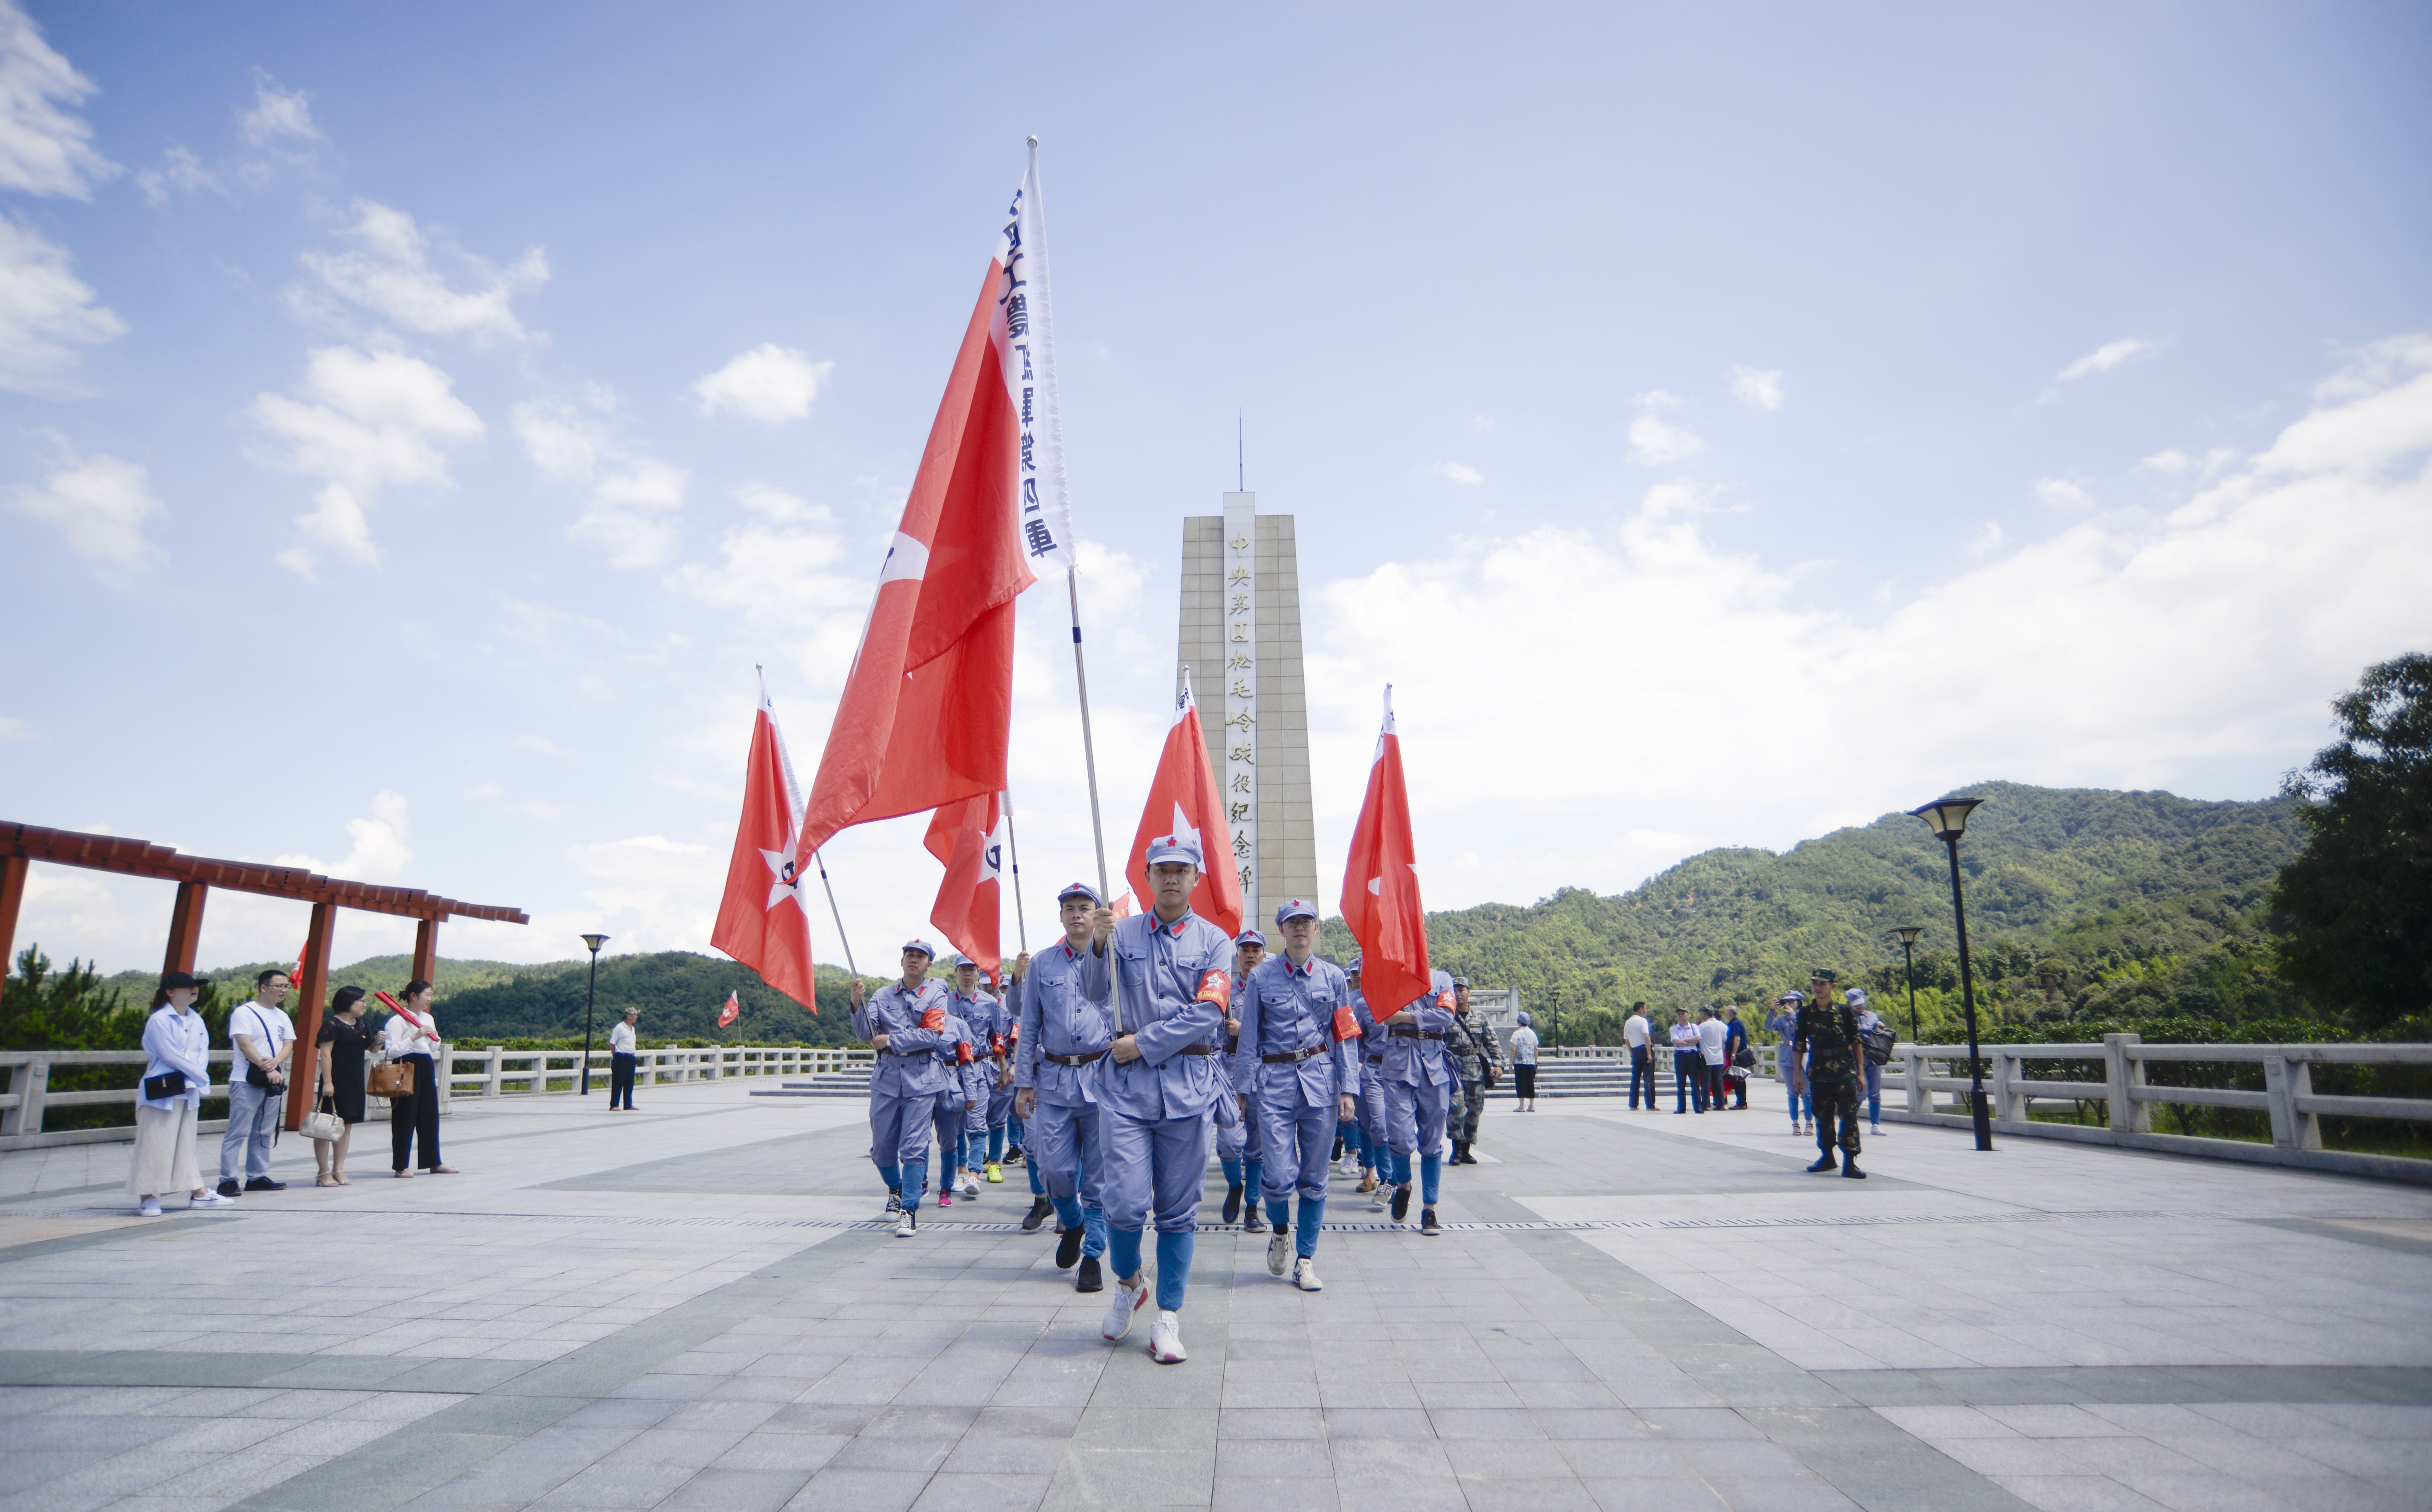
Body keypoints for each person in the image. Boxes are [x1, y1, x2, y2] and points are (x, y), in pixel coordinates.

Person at [1077, 833, 1231, 1364]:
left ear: (1195, 878)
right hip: (1126, 1091)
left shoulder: (1216, 942)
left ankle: (1167, 1316)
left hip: (1187, 1086)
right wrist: (1098, 944)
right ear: (1147, 878)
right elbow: (1096, 991)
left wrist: (1142, 1043)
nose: (1170, 877)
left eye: (1181, 869)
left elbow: (1209, 1011)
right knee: (1121, 1201)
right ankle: (1127, 1283)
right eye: (1161, 869)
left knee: (1177, 1210)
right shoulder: (1123, 933)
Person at [1233, 900, 1360, 1290]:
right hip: (1274, 1083)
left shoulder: (1335, 977)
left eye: (1306, 922)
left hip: (1320, 1082)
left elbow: (1345, 1034)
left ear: (1316, 928)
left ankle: (1305, 1258)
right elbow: (1250, 1036)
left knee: (1315, 1177)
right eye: (1292, 923)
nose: (1300, 928)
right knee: (1277, 1175)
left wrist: (1348, 1088)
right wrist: (1242, 1089)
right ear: (1282, 931)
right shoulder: (1261, 977)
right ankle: (1281, 1231)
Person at [1013, 881, 1117, 1290]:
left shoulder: (1114, 959)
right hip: (1054, 1080)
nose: (1077, 914)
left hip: (1101, 1078)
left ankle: (1093, 1254)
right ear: (1060, 916)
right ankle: (1071, 1223)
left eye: (1084, 907)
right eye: (1069, 908)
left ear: (1096, 914)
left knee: (1098, 1176)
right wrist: (1024, 1083)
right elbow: (1030, 1026)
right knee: (1054, 1169)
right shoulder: (1043, 963)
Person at [849, 940, 952, 1236]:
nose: (914, 960)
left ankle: (909, 1210)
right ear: (903, 960)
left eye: (921, 956)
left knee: (914, 1147)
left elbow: (931, 1036)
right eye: (910, 955)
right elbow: (867, 1034)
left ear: (929, 964)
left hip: (922, 1080)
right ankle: (895, 1188)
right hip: (887, 1079)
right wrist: (857, 1004)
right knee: (882, 1150)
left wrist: (892, 1040)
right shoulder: (882, 995)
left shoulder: (936, 994)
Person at [1363, 966, 1458, 1235]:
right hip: (1398, 1064)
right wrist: (1411, 1018)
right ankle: (1403, 1183)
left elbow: (1446, 1015)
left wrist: (1405, 1016)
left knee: (1432, 1142)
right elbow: (1382, 1014)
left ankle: (1430, 1209)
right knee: (1401, 1137)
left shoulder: (1442, 979)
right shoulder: (1390, 977)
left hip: (1434, 1065)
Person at [129, 972, 230, 1216]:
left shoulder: (197, 1020)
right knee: (154, 1144)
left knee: (185, 1144)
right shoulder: (159, 1020)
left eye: (195, 987)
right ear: (170, 992)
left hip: (188, 1090)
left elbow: (202, 1053)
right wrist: (201, 1078)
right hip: (162, 1091)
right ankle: (148, 1197)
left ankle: (199, 1193)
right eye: (186, 987)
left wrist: (197, 1079)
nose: (193, 990)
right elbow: (170, 1055)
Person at [218, 968, 296, 1197]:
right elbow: (245, 1045)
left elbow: (289, 1044)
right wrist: (267, 1067)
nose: (283, 990)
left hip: (273, 1079)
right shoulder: (245, 1013)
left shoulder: (282, 1016)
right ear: (264, 987)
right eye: (279, 986)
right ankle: (228, 1178)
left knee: (264, 1130)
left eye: (286, 987)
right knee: (239, 1131)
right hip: (246, 1080)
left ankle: (257, 1175)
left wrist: (275, 1065)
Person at [1217, 930, 1269, 1232]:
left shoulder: (1270, 989)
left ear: (1264, 954)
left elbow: (1281, 1033)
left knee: (1257, 1146)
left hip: (1262, 1069)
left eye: (1256, 949)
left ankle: (1252, 1206)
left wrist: (1247, 1030)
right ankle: (1235, 1185)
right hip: (1230, 1068)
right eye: (1245, 949)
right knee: (1228, 1143)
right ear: (1237, 955)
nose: (1250, 954)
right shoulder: (1225, 990)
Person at [1794, 970, 1867, 1178]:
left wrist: (1860, 1073)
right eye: (1815, 983)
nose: (1818, 987)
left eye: (1823, 984)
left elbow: (1856, 1043)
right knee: (1822, 1115)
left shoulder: (1844, 1012)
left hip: (1845, 1071)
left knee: (1849, 1115)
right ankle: (1827, 1156)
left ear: (1833, 987)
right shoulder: (1806, 1013)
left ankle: (1850, 1161)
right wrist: (1797, 1076)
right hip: (1819, 1071)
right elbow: (1799, 1045)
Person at [948, 956, 1013, 1185]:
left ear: (978, 973)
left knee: (978, 1123)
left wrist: (1003, 1069)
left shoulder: (989, 1003)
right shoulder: (946, 1002)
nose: (967, 974)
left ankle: (976, 1173)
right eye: (962, 969)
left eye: (971, 969)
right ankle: (961, 1170)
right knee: (956, 1124)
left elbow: (997, 1038)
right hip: (953, 1071)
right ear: (955, 972)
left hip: (979, 1068)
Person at [382, 980, 457, 1177]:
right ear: (413, 996)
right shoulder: (397, 1021)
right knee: (404, 1117)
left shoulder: (429, 1018)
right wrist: (415, 1037)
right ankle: (401, 1166)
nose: (429, 999)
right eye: (427, 995)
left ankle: (434, 1162)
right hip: (405, 1067)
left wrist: (436, 1037)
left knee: (430, 1116)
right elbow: (391, 1052)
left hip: (426, 1065)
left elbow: (433, 1048)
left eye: (431, 995)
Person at [312, 985, 374, 1185]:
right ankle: (323, 1172)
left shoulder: (362, 1025)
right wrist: (328, 1082)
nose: (365, 1004)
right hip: (335, 1080)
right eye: (361, 1001)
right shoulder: (332, 1025)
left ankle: (338, 1169)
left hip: (354, 1081)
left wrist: (380, 1041)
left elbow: (372, 1049)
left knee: (346, 1126)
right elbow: (325, 1054)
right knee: (325, 1127)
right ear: (348, 1002)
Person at [931, 1000, 982, 1208]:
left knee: (949, 1142)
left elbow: (967, 1060)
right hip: (920, 1083)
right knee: (916, 1140)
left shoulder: (959, 1025)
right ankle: (920, 1183)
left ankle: (946, 1188)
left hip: (949, 1086)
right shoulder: (916, 1020)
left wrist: (970, 1091)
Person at [1446, 979, 1488, 1164]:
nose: (1458, 993)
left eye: (1462, 989)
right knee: (1456, 1110)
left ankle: (1466, 1150)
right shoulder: (1446, 1016)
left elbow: (1491, 1041)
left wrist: (1498, 1064)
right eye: (1455, 990)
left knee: (1474, 1110)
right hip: (1453, 1070)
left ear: (1469, 992)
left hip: (1475, 1072)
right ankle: (1455, 1150)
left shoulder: (1480, 1018)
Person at [1770, 991, 1812, 1135]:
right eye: (1786, 1001)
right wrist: (1772, 1010)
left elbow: (1804, 1029)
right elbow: (1769, 1026)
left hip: (1805, 1056)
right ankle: (1795, 1123)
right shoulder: (1782, 1019)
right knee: (1792, 1093)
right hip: (1788, 1056)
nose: (1789, 1004)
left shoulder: (1805, 1015)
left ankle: (1809, 1123)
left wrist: (1794, 1015)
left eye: (1792, 1001)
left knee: (1807, 1093)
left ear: (1799, 1002)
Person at [1850, 988, 1886, 1133]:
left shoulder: (1872, 1016)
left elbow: (1863, 1029)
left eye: (1861, 1003)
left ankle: (1875, 1124)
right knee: (1861, 1092)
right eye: (1856, 1004)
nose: (1859, 1006)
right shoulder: (1846, 1017)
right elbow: (1855, 1030)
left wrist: (1875, 1027)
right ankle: (1850, 1117)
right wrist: (1869, 1028)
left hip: (1873, 1056)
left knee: (1875, 1092)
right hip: (1855, 1057)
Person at [1669, 1008, 1704, 1113]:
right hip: (1680, 1056)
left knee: (1695, 1083)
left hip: (1692, 1056)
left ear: (1688, 1015)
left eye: (1683, 1014)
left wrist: (1684, 1042)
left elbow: (1698, 1039)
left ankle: (1698, 1107)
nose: (1681, 1016)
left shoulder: (1694, 1027)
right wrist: (1690, 1041)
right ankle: (1681, 1108)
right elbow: (1676, 1042)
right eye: (1679, 1014)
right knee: (1681, 1083)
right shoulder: (1674, 1029)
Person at [1623, 1002, 1653, 1111]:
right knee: (1648, 1079)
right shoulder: (1643, 1021)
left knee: (1635, 1079)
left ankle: (1633, 1104)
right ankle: (1650, 1105)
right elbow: (1646, 1036)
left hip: (1635, 1050)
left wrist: (1632, 1052)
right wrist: (1649, 1053)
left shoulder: (1628, 1022)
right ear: (1640, 1010)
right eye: (1645, 1009)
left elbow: (1627, 1040)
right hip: (1644, 1049)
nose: (1646, 1011)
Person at [608, 1008, 639, 1110]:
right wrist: (616, 1055)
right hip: (621, 1056)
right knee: (618, 1081)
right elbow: (613, 1043)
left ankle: (628, 1104)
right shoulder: (619, 1028)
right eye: (635, 1015)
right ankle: (615, 1105)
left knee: (630, 1082)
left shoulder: (633, 1029)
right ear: (629, 1016)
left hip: (631, 1057)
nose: (636, 1017)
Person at [1509, 1010, 1539, 1111]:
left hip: (1519, 1063)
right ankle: (1532, 1105)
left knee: (1521, 1083)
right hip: (1531, 1062)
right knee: (1530, 1083)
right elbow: (1536, 1049)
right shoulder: (1533, 1034)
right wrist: (1536, 1061)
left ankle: (1522, 1106)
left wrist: (1510, 1063)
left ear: (1519, 1022)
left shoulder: (1517, 1034)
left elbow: (1513, 1049)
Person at [1722, 1004, 1750, 1110]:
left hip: (1737, 1054)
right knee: (1738, 1078)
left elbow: (1737, 1039)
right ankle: (1741, 1102)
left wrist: (1733, 1054)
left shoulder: (1735, 1023)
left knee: (1738, 1078)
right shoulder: (1737, 1022)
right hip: (1737, 1053)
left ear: (1729, 1014)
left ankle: (1742, 1102)